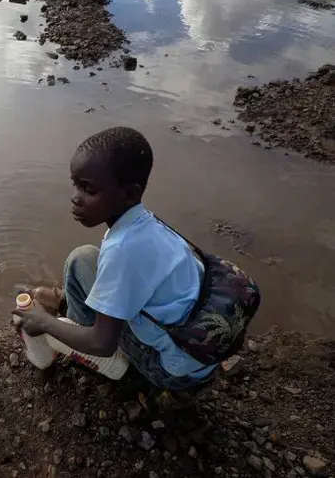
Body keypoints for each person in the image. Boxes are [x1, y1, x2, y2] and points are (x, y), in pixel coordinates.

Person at [12, 127, 218, 390]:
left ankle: (111, 360)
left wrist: (44, 322)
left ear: (129, 193)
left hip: (175, 370)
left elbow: (103, 344)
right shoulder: (147, 223)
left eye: (89, 189)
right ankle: (76, 319)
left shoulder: (121, 250)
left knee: (49, 327)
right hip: (193, 340)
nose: (76, 198)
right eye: (76, 184)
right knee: (81, 259)